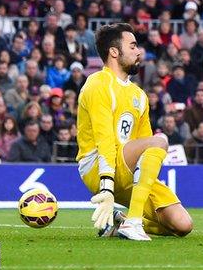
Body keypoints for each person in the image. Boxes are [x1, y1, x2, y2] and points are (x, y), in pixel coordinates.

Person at [77, 23, 193, 241]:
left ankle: (121, 220)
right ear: (114, 51)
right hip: (97, 167)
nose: (138, 51)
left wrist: (145, 181)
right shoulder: (98, 83)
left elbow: (144, 143)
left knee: (183, 225)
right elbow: (105, 139)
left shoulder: (139, 95)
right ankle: (134, 222)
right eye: (132, 46)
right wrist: (106, 187)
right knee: (160, 141)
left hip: (129, 169)